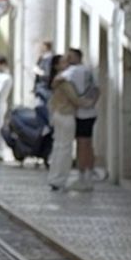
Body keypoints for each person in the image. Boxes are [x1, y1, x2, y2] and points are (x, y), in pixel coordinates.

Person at [57, 48, 99, 190]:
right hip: (91, 112)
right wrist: (92, 102)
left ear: (76, 57)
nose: (67, 59)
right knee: (88, 144)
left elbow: (57, 80)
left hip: (81, 113)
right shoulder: (89, 69)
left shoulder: (73, 71)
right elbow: (97, 89)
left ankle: (82, 177)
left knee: (81, 145)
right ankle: (89, 174)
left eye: (69, 56)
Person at [45, 62, 85, 191]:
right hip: (66, 115)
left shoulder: (56, 81)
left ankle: (53, 177)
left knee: (58, 147)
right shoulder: (65, 82)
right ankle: (59, 179)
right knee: (65, 149)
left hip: (57, 114)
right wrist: (89, 102)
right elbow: (75, 100)